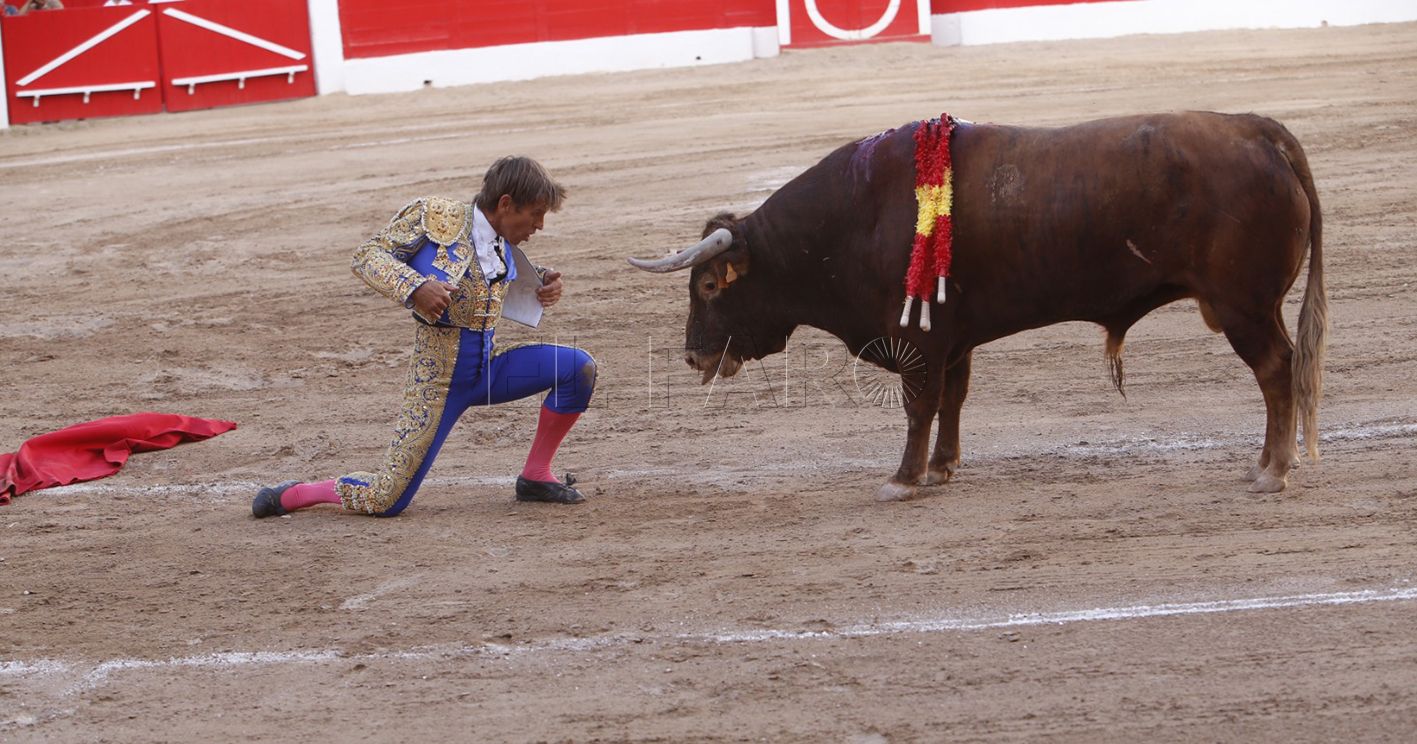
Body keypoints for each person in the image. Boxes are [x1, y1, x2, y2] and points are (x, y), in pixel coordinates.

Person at [253, 156, 596, 518]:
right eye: (536, 214)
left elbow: (485, 277)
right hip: (438, 386)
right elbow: (367, 256)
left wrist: (541, 282)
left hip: (487, 372)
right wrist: (415, 287)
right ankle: (296, 494)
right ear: (506, 204)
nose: (539, 225)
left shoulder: (498, 242)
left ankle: (536, 477)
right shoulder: (435, 217)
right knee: (385, 500)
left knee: (578, 369)